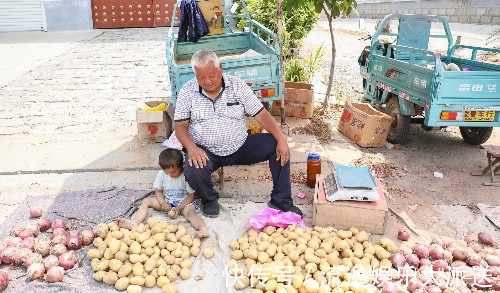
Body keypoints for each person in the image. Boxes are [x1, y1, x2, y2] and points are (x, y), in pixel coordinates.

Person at [174, 49, 303, 218]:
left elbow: (261, 114)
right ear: (195, 75)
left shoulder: (237, 86)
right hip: (206, 151)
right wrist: (191, 148)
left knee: (276, 145)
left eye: (211, 75)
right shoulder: (187, 91)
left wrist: (281, 138)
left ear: (220, 69)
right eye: (201, 77)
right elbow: (180, 126)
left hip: (241, 147)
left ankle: (281, 199)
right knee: (193, 172)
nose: (207, 81)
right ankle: (209, 199)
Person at [117, 148, 208, 238]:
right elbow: (159, 191)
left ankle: (202, 229)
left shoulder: (186, 176)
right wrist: (163, 203)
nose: (169, 175)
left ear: (182, 166)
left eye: (173, 172)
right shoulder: (161, 174)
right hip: (167, 201)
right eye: (166, 172)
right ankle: (135, 222)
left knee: (191, 214)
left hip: (183, 203)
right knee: (146, 201)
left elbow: (191, 196)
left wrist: (179, 208)